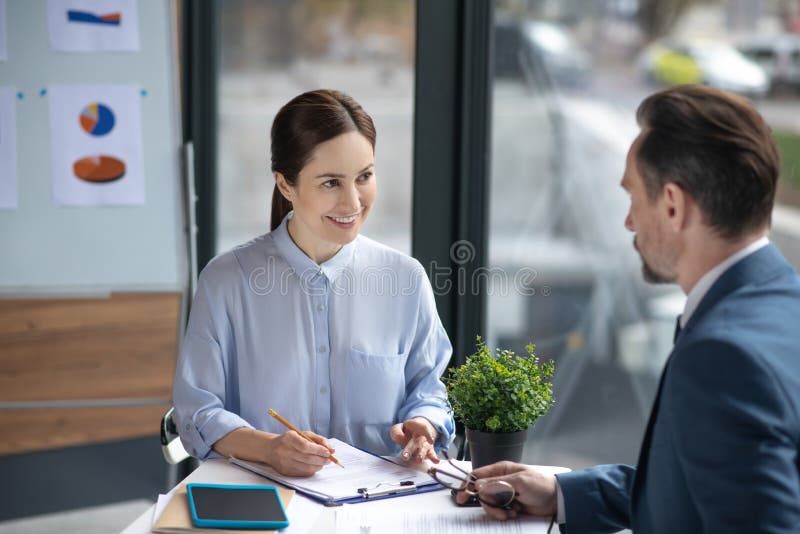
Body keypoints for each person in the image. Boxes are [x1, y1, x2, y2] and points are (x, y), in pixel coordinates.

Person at [459, 84, 800, 532]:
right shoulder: (783, 302)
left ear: (673, 205)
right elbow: (707, 482)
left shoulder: (723, 356)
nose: (629, 221)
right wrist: (564, 493)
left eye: (632, 196)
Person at [173, 89, 454, 477]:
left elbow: (427, 389)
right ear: (286, 185)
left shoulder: (405, 279)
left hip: (378, 504)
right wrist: (269, 448)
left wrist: (422, 425)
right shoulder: (226, 281)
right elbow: (198, 411)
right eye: (330, 183)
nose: (353, 202)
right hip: (266, 498)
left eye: (364, 177)